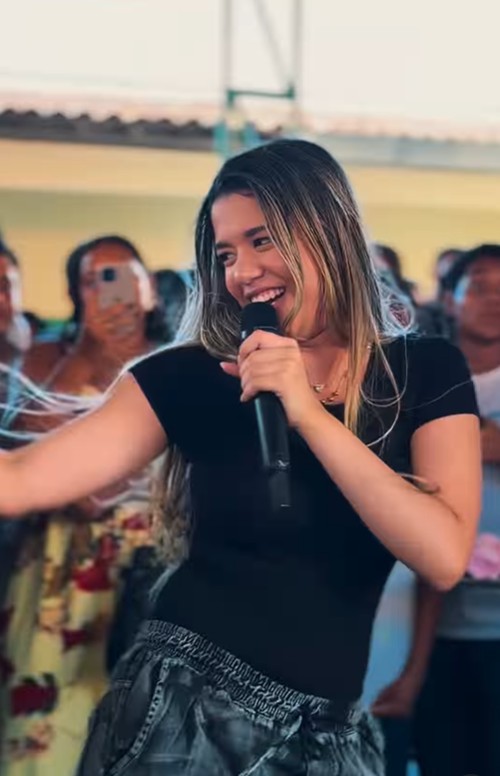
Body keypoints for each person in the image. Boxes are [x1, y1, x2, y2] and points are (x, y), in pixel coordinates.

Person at [0, 140, 481, 776]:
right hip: (183, 714)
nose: (241, 272)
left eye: (262, 241)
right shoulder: (192, 375)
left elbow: (443, 556)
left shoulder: (424, 371)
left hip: (332, 734)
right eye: (226, 254)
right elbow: (19, 480)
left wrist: (308, 414)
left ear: (328, 230)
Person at [0, 235, 166, 775]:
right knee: (50, 726)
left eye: (123, 275)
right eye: (95, 280)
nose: (111, 290)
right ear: (77, 295)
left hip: (147, 564)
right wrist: (88, 354)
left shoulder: (178, 360)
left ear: (149, 288)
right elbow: (22, 441)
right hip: (62, 567)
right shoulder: (51, 355)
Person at [378, 244, 500, 776]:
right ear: (449, 300)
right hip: (422, 620)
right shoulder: (419, 380)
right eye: (479, 286)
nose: (494, 300)